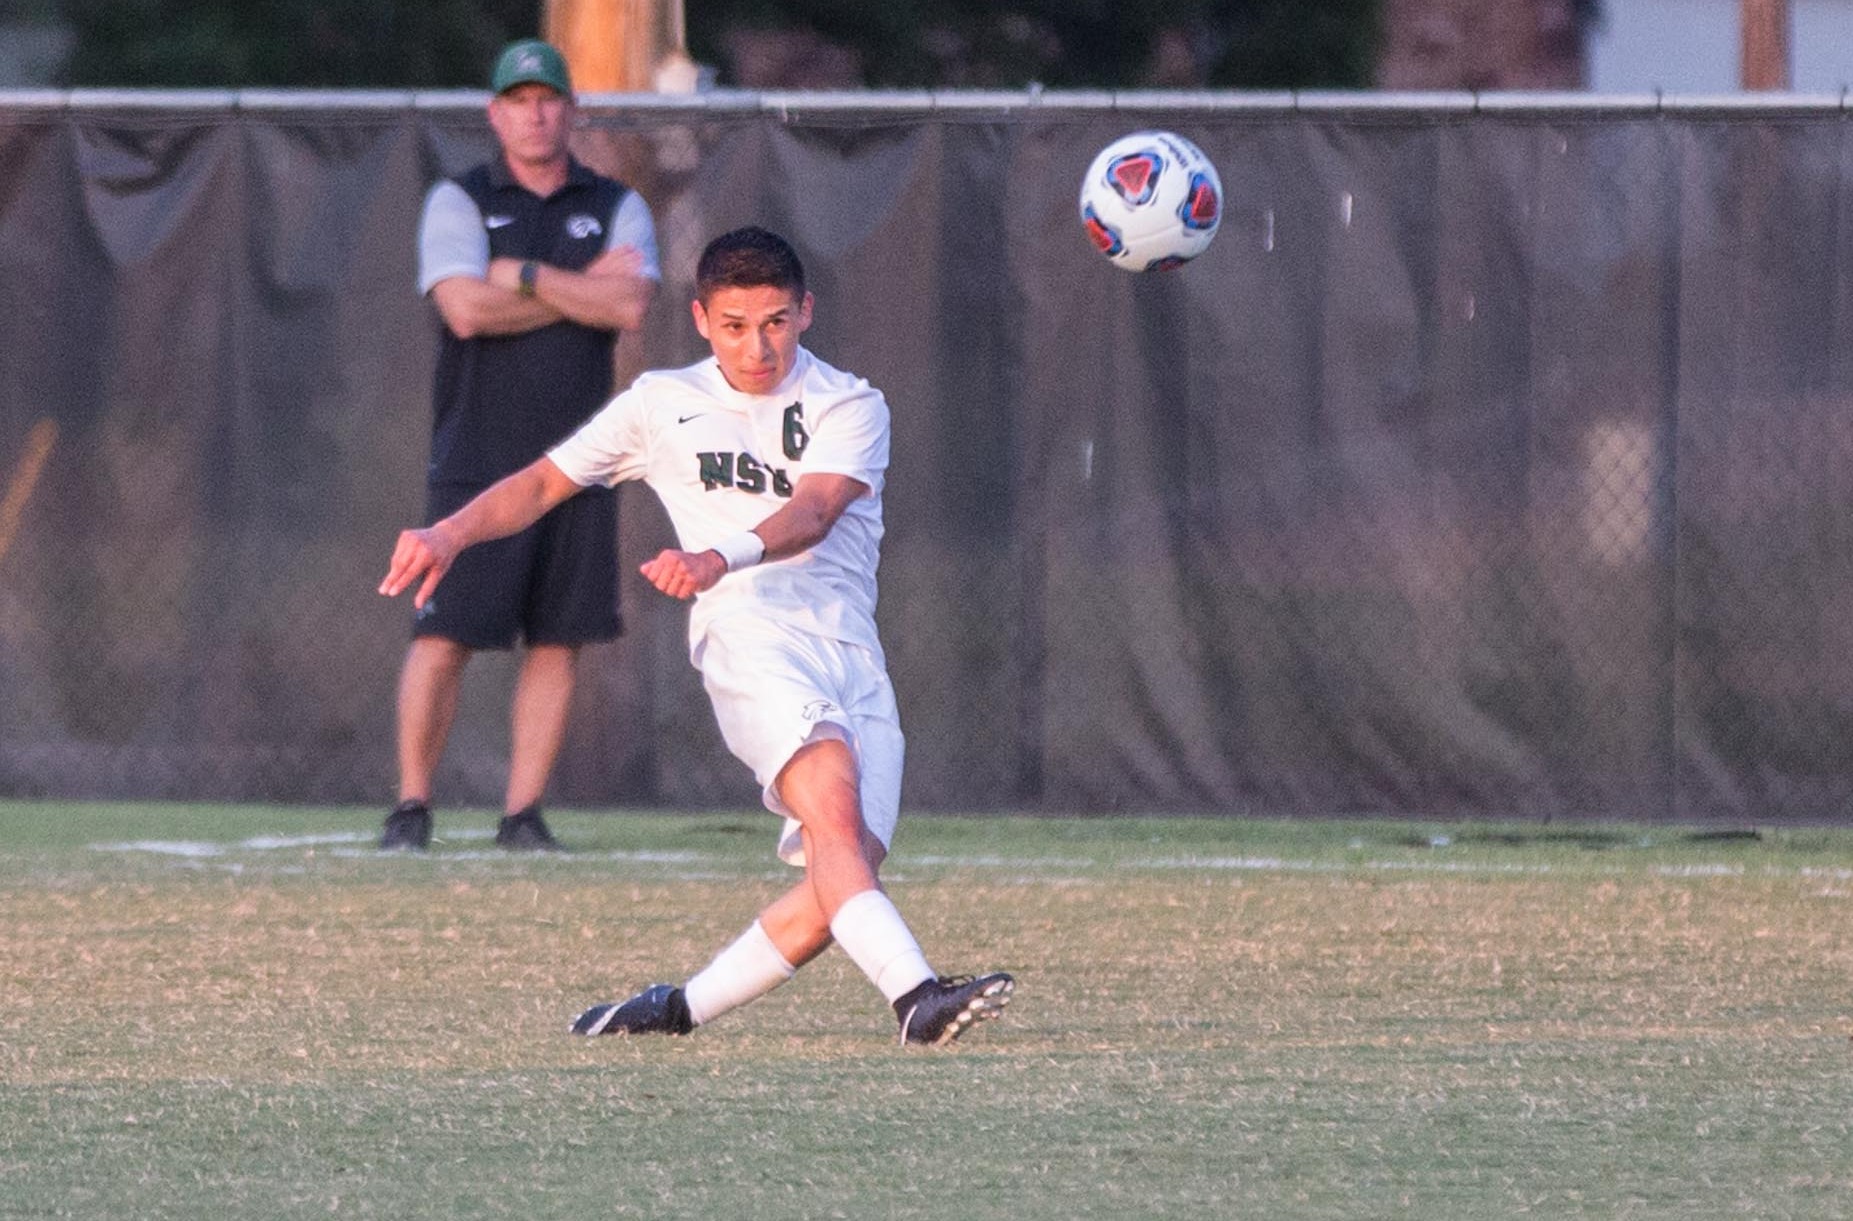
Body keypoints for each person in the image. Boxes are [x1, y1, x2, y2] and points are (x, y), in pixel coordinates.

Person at [379, 227, 1014, 1046]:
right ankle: (917, 1000)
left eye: (777, 321)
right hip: (750, 636)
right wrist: (449, 534)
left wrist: (718, 552)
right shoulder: (659, 401)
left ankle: (675, 1009)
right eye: (737, 324)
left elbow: (814, 510)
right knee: (828, 795)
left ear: (806, 312)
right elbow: (543, 482)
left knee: (841, 875)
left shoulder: (850, 403)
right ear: (702, 320)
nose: (758, 345)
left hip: (852, 653)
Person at [381, 38, 660, 853]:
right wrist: (583, 290)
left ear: (570, 108)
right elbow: (464, 309)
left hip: (583, 456)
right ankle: (411, 805)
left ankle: (521, 813)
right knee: (444, 633)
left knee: (557, 635)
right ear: (495, 112)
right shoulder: (459, 200)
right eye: (519, 99)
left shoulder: (616, 204)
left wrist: (524, 276)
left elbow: (631, 309)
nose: (535, 113)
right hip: (475, 455)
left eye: (549, 98)